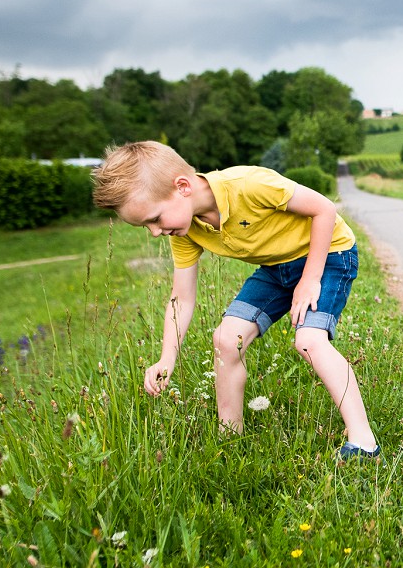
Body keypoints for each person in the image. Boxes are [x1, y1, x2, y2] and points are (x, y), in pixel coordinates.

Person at [92, 141, 379, 459]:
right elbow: (181, 299)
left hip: (328, 254)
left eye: (155, 219)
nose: (155, 232)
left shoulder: (248, 185)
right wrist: (166, 358)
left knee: (309, 339)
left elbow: (324, 208)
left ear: (183, 186)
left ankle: (363, 443)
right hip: (276, 269)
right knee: (226, 339)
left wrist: (310, 280)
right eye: (145, 225)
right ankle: (229, 438)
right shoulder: (185, 231)